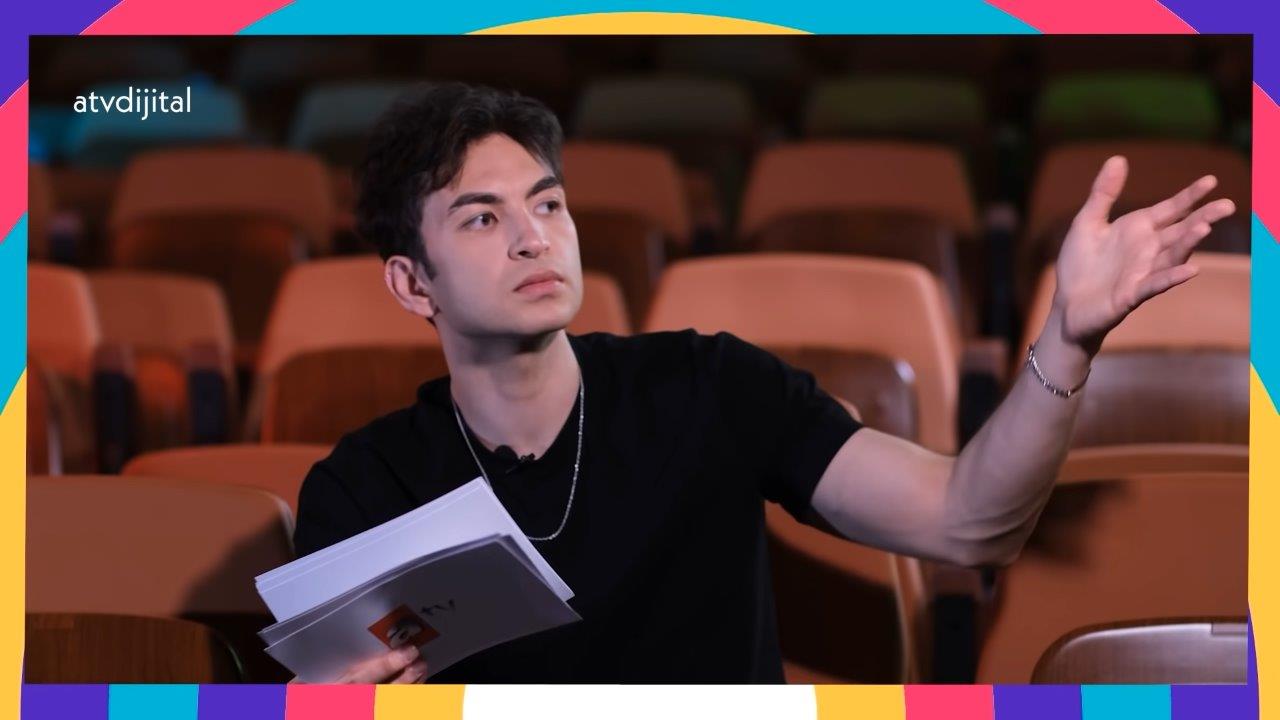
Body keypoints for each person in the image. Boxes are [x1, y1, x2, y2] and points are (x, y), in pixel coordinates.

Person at [292, 83, 1237, 684]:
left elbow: (967, 522)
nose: (534, 238)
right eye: (482, 219)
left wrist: (1067, 340)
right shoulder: (364, 490)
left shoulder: (710, 386)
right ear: (411, 284)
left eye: (548, 204)